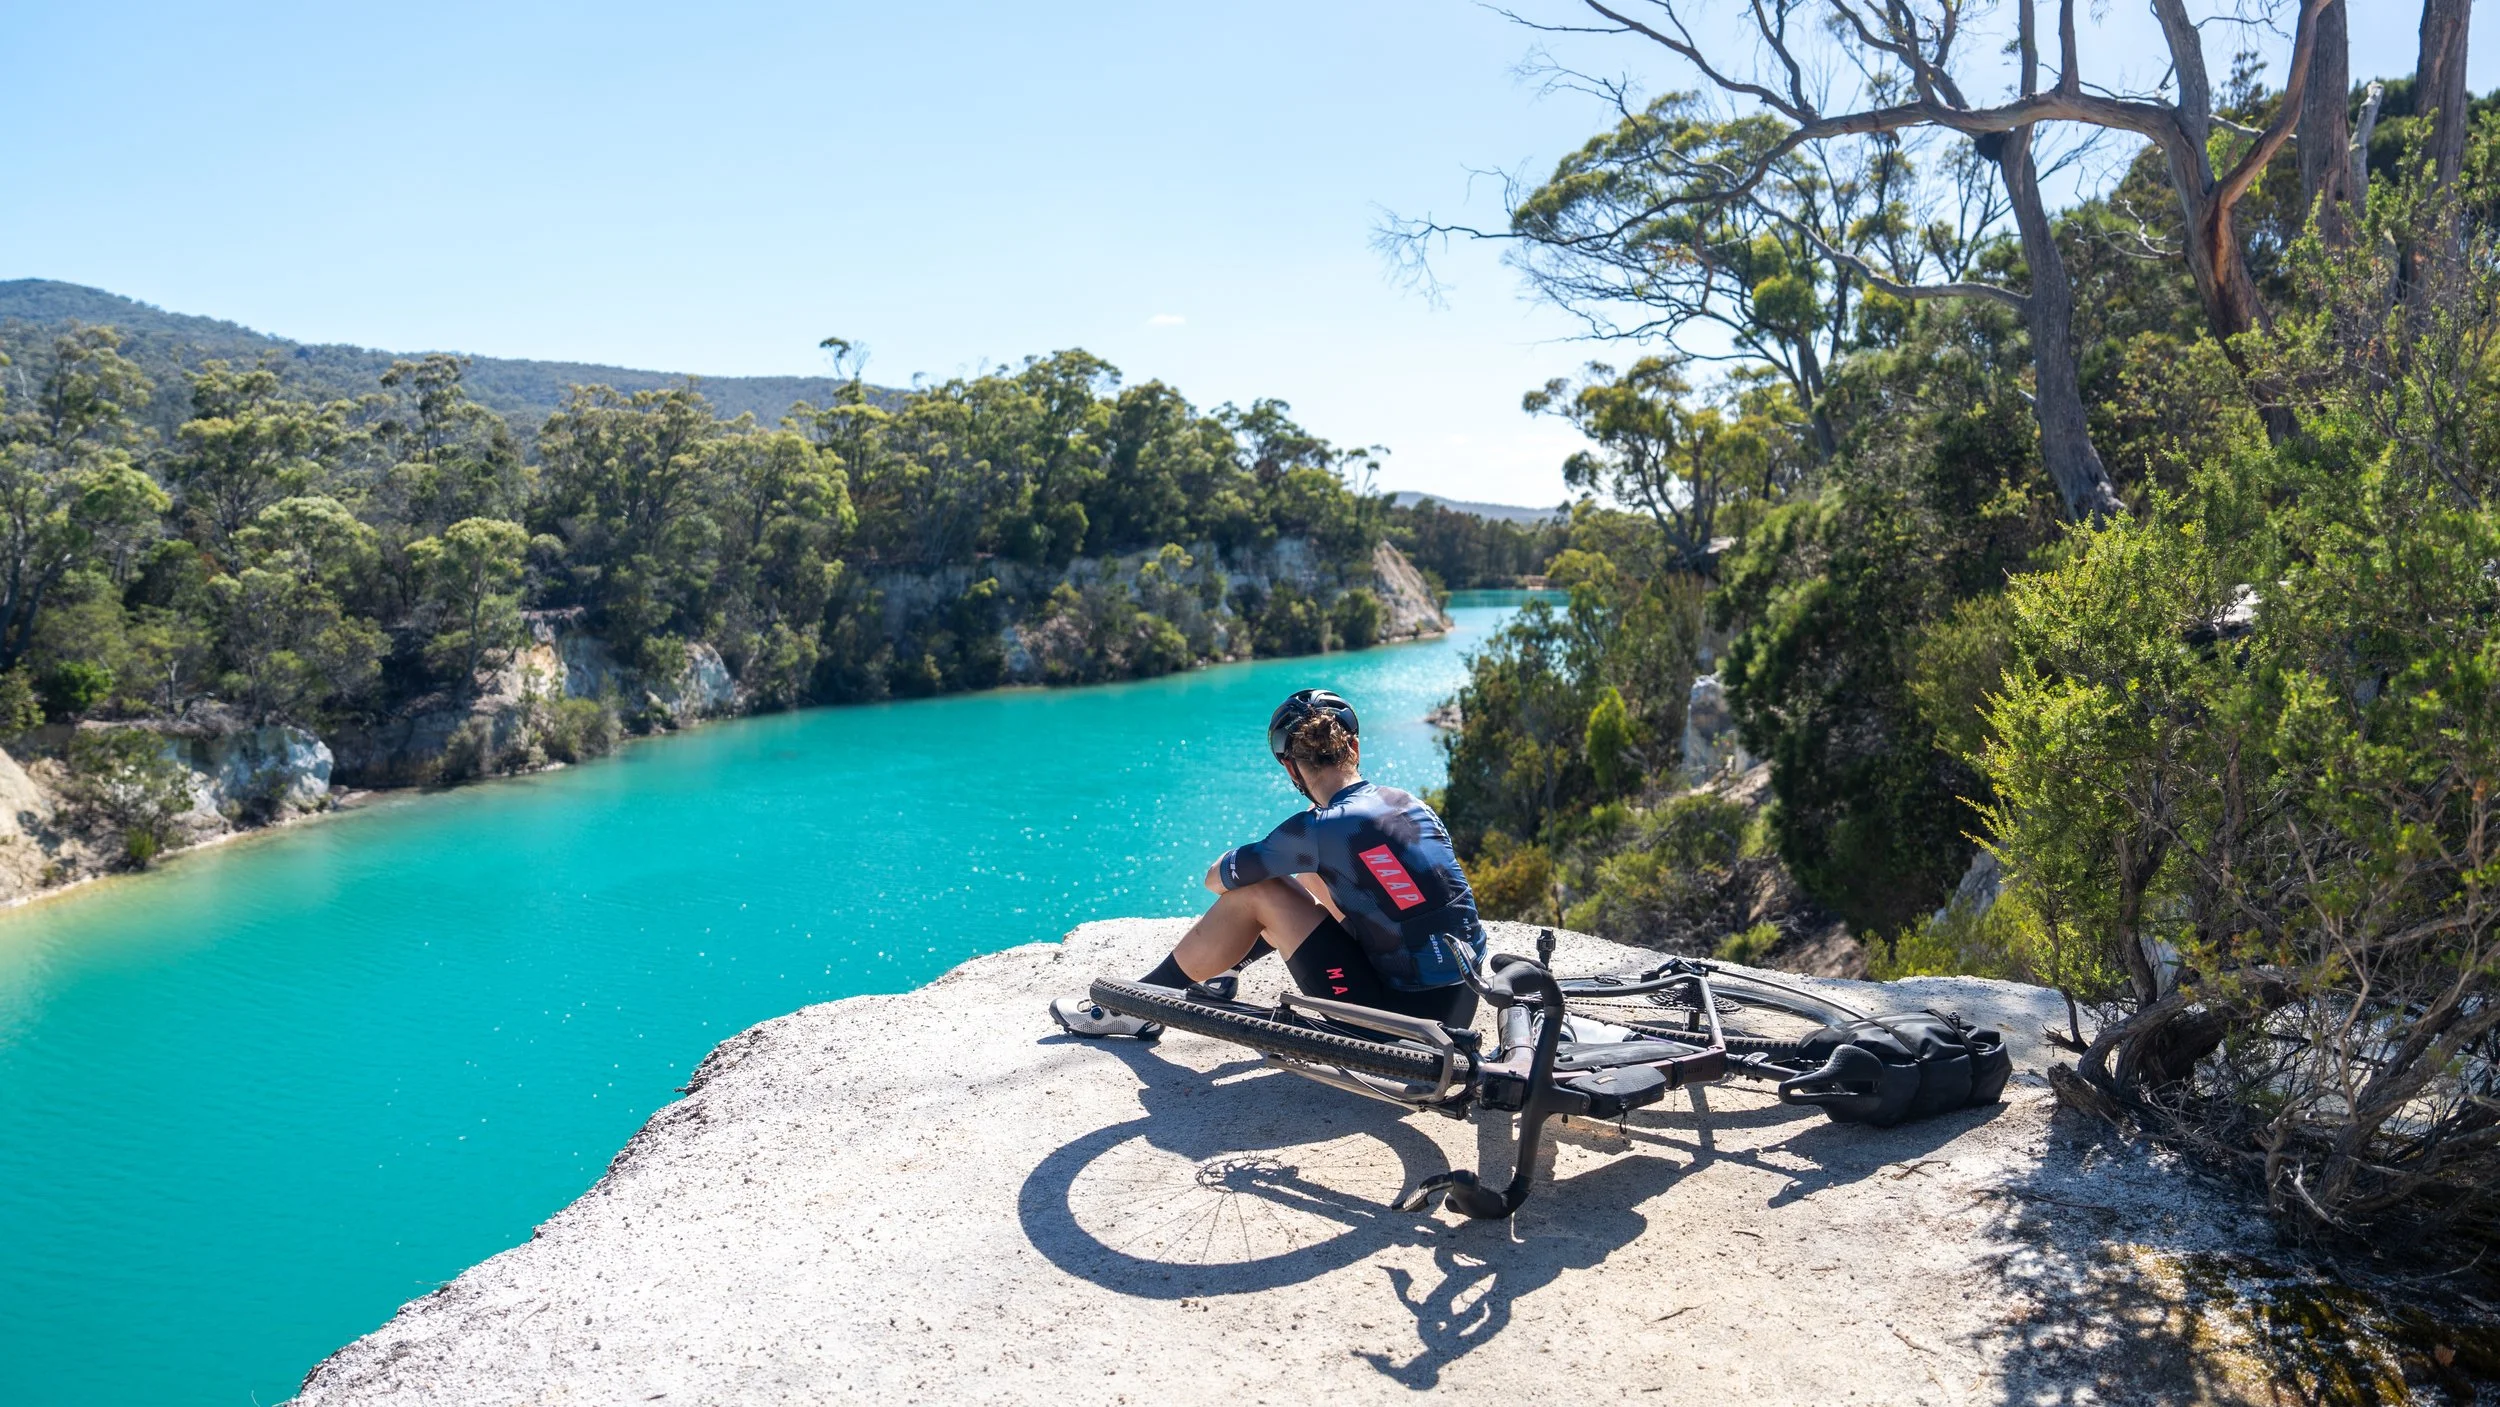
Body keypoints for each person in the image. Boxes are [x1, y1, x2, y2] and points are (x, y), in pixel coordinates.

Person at [1051, 688, 1486, 1038]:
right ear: (1353, 746)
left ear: (1290, 768)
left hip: (1399, 1026)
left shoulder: (1319, 828)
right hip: (1458, 1004)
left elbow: (1215, 881)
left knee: (1260, 891)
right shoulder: (1408, 803)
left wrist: (1244, 861)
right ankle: (1224, 971)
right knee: (1314, 873)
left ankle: (1139, 1006)